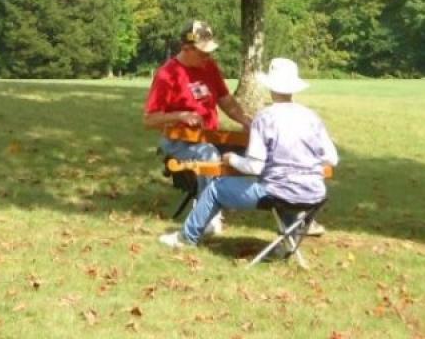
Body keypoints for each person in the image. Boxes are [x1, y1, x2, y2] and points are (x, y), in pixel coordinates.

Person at [159, 56, 337, 249]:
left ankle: (187, 237)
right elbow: (332, 159)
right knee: (289, 191)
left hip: (280, 193)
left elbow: (254, 167)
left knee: (215, 189)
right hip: (314, 195)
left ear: (271, 87)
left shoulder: (265, 118)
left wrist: (232, 159)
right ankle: (288, 244)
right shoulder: (311, 117)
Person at [143, 21, 251, 233]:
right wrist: (181, 115)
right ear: (186, 48)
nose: (207, 57)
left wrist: (246, 121)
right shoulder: (167, 74)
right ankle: (208, 215)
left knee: (255, 152)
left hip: (210, 137)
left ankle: (280, 205)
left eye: (209, 53)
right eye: (203, 53)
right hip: (178, 142)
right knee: (208, 154)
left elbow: (226, 101)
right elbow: (149, 119)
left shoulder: (209, 67)